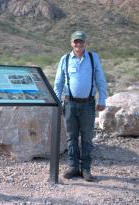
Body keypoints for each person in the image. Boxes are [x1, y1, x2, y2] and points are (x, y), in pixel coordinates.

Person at [54, 31, 107, 181]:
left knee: (87, 138)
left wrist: (102, 99)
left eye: (81, 42)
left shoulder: (92, 58)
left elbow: (100, 79)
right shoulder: (64, 59)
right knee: (71, 137)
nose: (79, 44)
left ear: (85, 43)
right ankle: (73, 166)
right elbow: (58, 83)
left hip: (88, 104)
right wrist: (57, 102)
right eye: (76, 42)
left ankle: (86, 169)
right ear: (71, 43)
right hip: (69, 103)